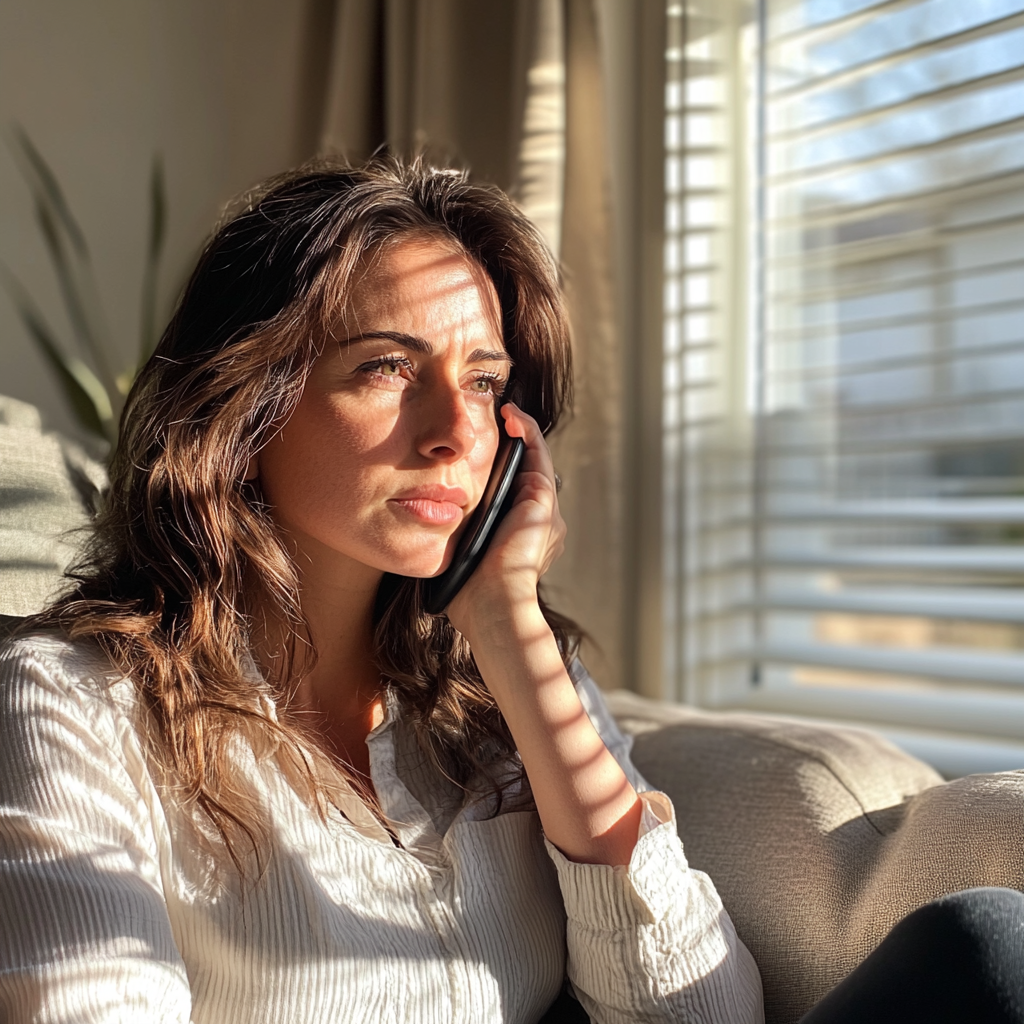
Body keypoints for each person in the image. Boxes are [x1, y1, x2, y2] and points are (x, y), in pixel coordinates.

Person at [2, 156, 1023, 1024]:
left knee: (985, 944)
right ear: (243, 402)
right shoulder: (66, 702)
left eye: (485, 381)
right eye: (386, 368)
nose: (455, 427)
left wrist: (506, 623)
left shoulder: (499, 686)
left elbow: (696, 1012)